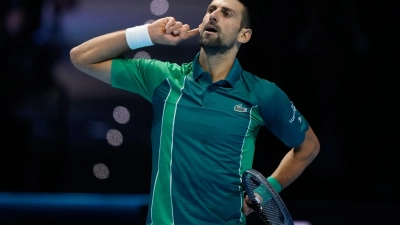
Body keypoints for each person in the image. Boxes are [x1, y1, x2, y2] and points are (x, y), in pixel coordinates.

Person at [70, 0, 320, 224]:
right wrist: (146, 34)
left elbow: (308, 147)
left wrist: (262, 194)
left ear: (244, 35)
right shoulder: (164, 79)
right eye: (211, 9)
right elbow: (81, 57)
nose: (213, 15)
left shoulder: (263, 94)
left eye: (226, 13)